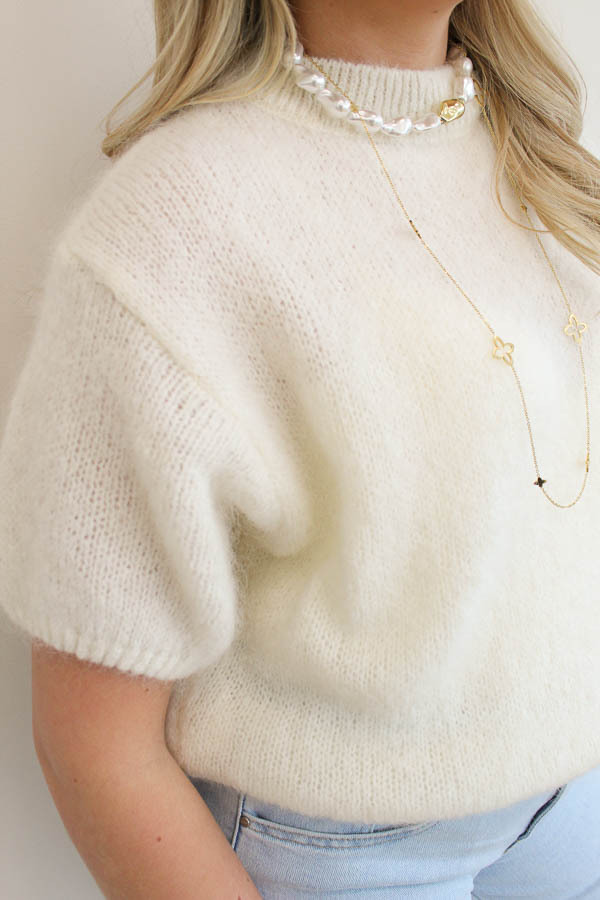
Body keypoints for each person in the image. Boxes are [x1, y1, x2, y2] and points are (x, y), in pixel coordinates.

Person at [1, 0, 599, 896]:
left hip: (571, 798)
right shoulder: (171, 224)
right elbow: (95, 743)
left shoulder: (540, 154)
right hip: (353, 852)